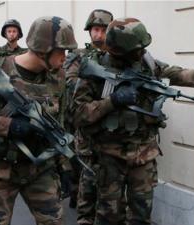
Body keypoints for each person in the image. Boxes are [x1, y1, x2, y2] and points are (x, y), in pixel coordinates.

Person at [71, 17, 194, 225]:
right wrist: (112, 101)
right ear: (122, 51)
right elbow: (78, 115)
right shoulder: (95, 70)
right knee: (110, 217)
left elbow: (180, 74)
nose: (142, 52)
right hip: (107, 156)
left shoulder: (147, 64)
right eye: (137, 50)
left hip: (143, 155)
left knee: (141, 215)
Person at [0, 16, 77, 225]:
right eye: (61, 51)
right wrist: (10, 126)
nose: (64, 58)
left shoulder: (57, 77)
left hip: (40, 169)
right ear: (43, 50)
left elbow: (58, 125)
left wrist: (65, 167)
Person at [63, 8, 113, 225]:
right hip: (82, 119)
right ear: (89, 31)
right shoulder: (79, 56)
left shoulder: (117, 56)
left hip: (108, 123)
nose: (98, 35)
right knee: (82, 168)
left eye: (103, 30)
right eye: (95, 29)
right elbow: (69, 80)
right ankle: (80, 204)